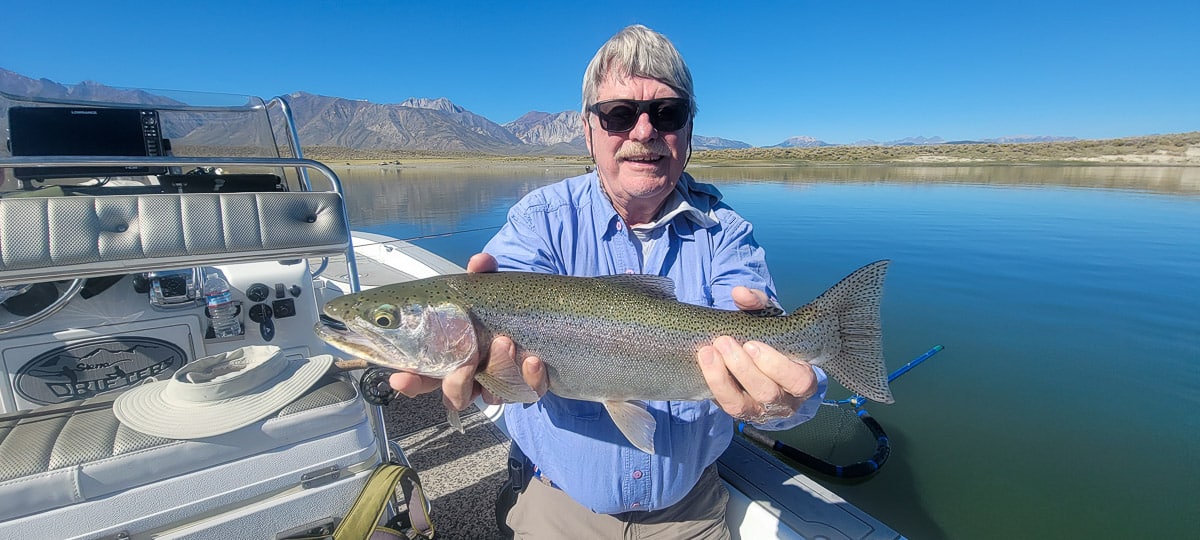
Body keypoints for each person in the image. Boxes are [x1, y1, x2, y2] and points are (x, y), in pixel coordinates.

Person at [389, 24, 827, 539]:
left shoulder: (727, 233)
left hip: (691, 511)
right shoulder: (539, 220)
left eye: (667, 114)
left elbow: (782, 376)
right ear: (588, 129)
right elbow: (505, 298)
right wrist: (489, 372)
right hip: (558, 507)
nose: (643, 132)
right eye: (619, 115)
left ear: (688, 129)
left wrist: (787, 400)